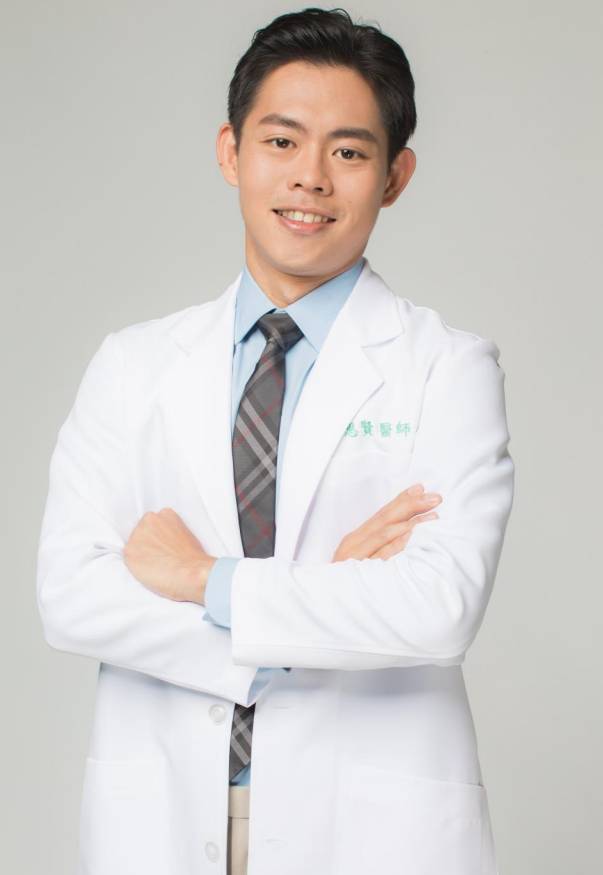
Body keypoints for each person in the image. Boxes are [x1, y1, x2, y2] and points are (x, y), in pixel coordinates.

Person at [36, 7, 514, 875]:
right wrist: (321, 598)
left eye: (349, 152)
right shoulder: (133, 365)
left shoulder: (447, 367)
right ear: (231, 152)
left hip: (372, 826)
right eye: (282, 142)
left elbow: (436, 608)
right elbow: (71, 594)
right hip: (161, 814)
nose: (310, 179)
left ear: (395, 176)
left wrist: (202, 579)